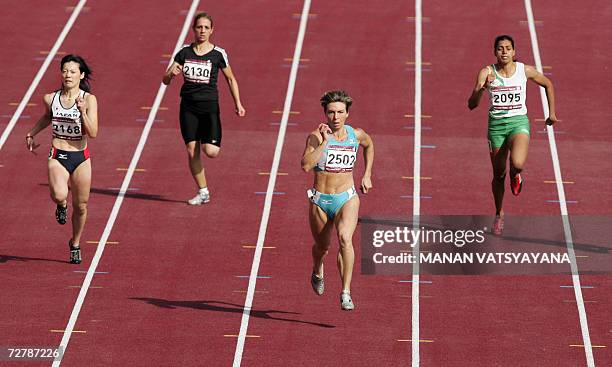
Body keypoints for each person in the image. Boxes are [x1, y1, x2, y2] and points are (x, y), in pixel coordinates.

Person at [468, 35, 557, 235]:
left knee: (517, 164)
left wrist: (551, 113)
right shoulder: (486, 72)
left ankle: (516, 175)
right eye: (500, 48)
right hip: (496, 128)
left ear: (514, 52)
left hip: (518, 123)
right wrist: (482, 88)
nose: (505, 51)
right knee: (498, 174)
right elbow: (471, 104)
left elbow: (548, 84)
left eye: (508, 48)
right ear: (495, 52)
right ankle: (499, 213)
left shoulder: (524, 70)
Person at [301, 90, 374, 310]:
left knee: (345, 238)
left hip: (347, 197)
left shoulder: (356, 135)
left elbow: (369, 145)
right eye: (331, 112)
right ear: (325, 113)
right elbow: (305, 165)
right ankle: (317, 268)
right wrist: (324, 143)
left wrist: (367, 173)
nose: (336, 117)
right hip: (321, 200)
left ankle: (346, 292)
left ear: (347, 114)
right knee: (323, 247)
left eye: (340, 112)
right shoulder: (315, 136)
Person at [163, 12, 246, 205]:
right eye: (199, 27)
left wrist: (238, 103)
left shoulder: (218, 54)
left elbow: (231, 79)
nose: (202, 31)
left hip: (209, 109)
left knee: (211, 151)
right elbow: (165, 80)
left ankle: (207, 140)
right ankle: (203, 191)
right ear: (193, 29)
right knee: (192, 150)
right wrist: (171, 74)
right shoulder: (184, 52)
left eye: (206, 27)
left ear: (211, 30)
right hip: (188, 107)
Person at [26, 54, 98, 264]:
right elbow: (48, 117)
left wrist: (82, 112)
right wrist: (32, 133)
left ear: (81, 75)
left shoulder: (90, 100)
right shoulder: (50, 98)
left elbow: (93, 133)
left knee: (82, 206)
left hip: (81, 157)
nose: (68, 75)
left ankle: (75, 243)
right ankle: (61, 205)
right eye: (65, 71)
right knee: (59, 195)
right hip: (58, 154)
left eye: (73, 71)